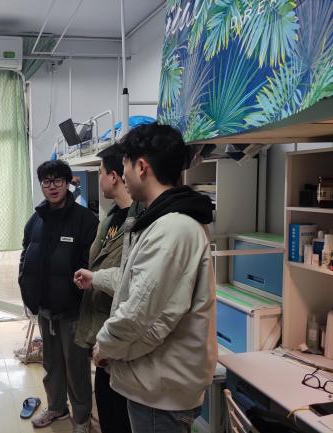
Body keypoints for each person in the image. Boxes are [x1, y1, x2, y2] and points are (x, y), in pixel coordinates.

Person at [74, 123, 217, 433]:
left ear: (141, 167)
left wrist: (104, 346)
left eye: (125, 164)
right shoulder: (159, 221)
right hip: (155, 385)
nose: (122, 174)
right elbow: (133, 281)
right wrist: (97, 278)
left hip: (161, 392)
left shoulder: (173, 229)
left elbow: (138, 315)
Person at [18, 160, 98, 433]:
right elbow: (25, 254)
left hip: (73, 309)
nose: (52, 187)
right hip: (45, 308)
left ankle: (82, 417)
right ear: (41, 185)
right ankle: (56, 406)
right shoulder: (36, 219)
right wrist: (26, 287)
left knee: (76, 366)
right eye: (46, 181)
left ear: (68, 183)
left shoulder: (85, 220)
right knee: (51, 364)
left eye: (58, 181)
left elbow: (91, 264)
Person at [74, 146, 139, 433]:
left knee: (120, 414)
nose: (98, 178)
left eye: (100, 172)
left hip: (120, 332)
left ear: (114, 176)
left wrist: (97, 278)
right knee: (106, 403)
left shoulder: (140, 222)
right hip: (101, 327)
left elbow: (132, 284)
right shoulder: (112, 217)